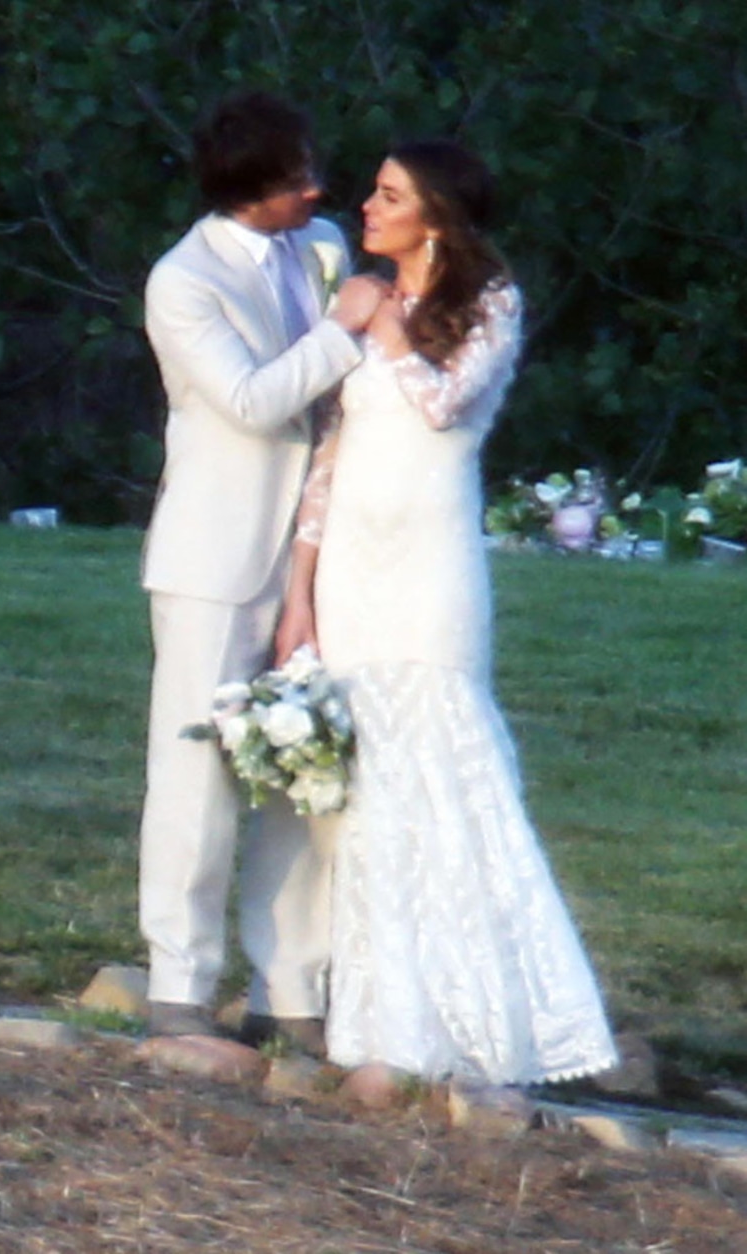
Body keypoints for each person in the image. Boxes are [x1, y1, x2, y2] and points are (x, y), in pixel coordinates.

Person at [278, 140, 617, 1101]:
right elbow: (330, 455)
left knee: (440, 763)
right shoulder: (358, 302)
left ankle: (481, 1019)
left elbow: (441, 404)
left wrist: (381, 325)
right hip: (351, 567)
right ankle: (384, 1031)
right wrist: (300, 592)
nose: (367, 208)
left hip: (428, 573)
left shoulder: (490, 304)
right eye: (373, 194)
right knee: (372, 794)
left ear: (434, 213)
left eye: (388, 196)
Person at [137, 90, 384, 1078]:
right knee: (196, 772)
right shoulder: (181, 280)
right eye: (292, 182)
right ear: (244, 194)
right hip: (213, 556)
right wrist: (343, 329)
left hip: (322, 553)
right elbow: (247, 402)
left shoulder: (317, 244)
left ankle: (291, 990)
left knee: (307, 769)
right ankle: (177, 985)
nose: (315, 189)